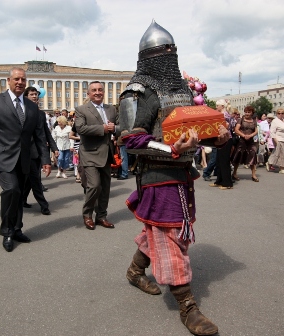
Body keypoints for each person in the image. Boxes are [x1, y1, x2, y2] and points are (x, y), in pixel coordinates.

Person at [119, 21, 229, 336]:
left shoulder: (180, 87)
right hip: (155, 175)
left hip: (182, 174)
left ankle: (135, 270)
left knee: (159, 230)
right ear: (148, 57)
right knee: (171, 235)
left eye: (172, 51)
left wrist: (216, 140)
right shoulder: (137, 91)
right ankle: (187, 305)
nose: (168, 58)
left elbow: (194, 133)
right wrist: (171, 148)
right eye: (162, 53)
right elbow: (131, 141)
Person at [0, 67, 51, 252]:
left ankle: (17, 228)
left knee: (18, 195)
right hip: (2, 156)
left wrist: (45, 159)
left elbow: (40, 136)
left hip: (24, 158)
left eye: (23, 80)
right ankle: (7, 231)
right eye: (17, 79)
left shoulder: (32, 106)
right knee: (11, 190)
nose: (20, 82)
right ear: (8, 80)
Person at [75, 81, 119, 230]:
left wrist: (115, 128)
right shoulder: (82, 109)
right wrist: (103, 128)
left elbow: (120, 125)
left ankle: (101, 216)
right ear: (89, 94)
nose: (97, 92)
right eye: (94, 90)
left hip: (107, 153)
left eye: (100, 89)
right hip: (89, 153)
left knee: (105, 187)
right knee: (94, 185)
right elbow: (80, 129)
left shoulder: (111, 109)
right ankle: (87, 215)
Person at [22, 85, 57, 215]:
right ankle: (43, 204)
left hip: (37, 151)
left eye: (36, 94)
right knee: (32, 179)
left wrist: (54, 148)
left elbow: (46, 133)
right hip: (23, 151)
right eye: (32, 94)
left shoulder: (41, 114)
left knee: (33, 178)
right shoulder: (21, 111)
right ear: (25, 97)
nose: (35, 96)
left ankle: (27, 201)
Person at [209, 99, 234, 190]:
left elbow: (226, 126)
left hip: (226, 139)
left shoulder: (224, 115)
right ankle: (219, 180)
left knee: (224, 161)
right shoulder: (223, 114)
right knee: (219, 161)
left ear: (222, 106)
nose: (216, 107)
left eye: (217, 105)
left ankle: (227, 183)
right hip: (222, 139)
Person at [231, 105, 259, 182]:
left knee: (253, 154)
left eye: (249, 112)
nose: (247, 113)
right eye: (246, 112)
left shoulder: (254, 120)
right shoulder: (241, 119)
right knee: (239, 155)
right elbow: (236, 130)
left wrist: (250, 135)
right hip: (242, 140)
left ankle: (253, 175)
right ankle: (234, 173)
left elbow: (256, 131)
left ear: (252, 113)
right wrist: (243, 135)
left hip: (251, 141)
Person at [266, 108, 284, 174]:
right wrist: (276, 141)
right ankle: (282, 168)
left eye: (282, 113)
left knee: (277, 153)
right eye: (279, 113)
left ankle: (269, 163)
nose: (280, 114)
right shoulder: (275, 121)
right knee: (282, 154)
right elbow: (272, 132)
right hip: (279, 139)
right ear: (276, 114)